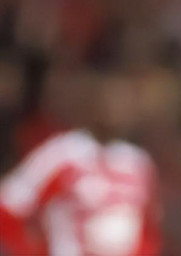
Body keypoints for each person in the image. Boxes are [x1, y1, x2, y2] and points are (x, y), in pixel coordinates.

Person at [0, 71, 162, 256]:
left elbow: (148, 227)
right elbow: (8, 204)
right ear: (91, 104)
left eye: (122, 102)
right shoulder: (61, 154)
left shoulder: (137, 162)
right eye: (108, 100)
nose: (115, 109)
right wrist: (29, 250)